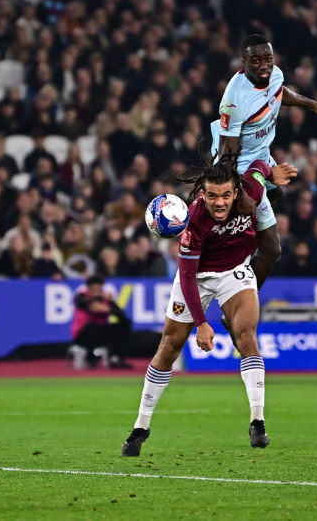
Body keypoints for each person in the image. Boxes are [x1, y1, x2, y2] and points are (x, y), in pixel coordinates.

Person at [121, 150, 297, 457]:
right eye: (213, 195)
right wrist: (202, 323)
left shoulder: (251, 190)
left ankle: (258, 421)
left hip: (235, 273)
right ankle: (141, 426)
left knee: (247, 337)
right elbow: (187, 276)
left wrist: (272, 173)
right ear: (202, 193)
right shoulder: (194, 221)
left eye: (226, 195)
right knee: (169, 346)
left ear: (236, 192)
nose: (220, 202)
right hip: (198, 277)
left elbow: (257, 167)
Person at [209, 34, 317, 291]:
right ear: (243, 62)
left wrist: (312, 105)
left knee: (276, 190)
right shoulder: (235, 100)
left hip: (262, 154)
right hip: (241, 165)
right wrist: (240, 192)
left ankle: (243, 228)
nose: (264, 65)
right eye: (256, 61)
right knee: (271, 249)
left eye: (268, 58)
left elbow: (278, 93)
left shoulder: (274, 73)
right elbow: (226, 156)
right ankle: (239, 300)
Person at [71, 275, 131, 368]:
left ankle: (115, 357)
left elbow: (121, 314)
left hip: (99, 333)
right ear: (88, 288)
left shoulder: (106, 299)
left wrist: (108, 309)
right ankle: (90, 357)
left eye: (98, 289)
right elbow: (87, 304)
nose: (96, 291)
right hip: (83, 334)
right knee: (92, 326)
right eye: (93, 289)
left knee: (125, 324)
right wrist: (96, 303)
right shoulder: (81, 296)